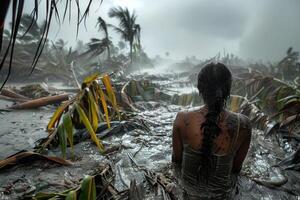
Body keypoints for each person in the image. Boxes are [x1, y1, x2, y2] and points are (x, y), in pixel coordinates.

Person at [172, 63, 252, 199]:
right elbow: (236, 169)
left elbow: (176, 161)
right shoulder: (243, 124)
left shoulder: (182, 118)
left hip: (186, 194)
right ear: (228, 90)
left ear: (199, 89)